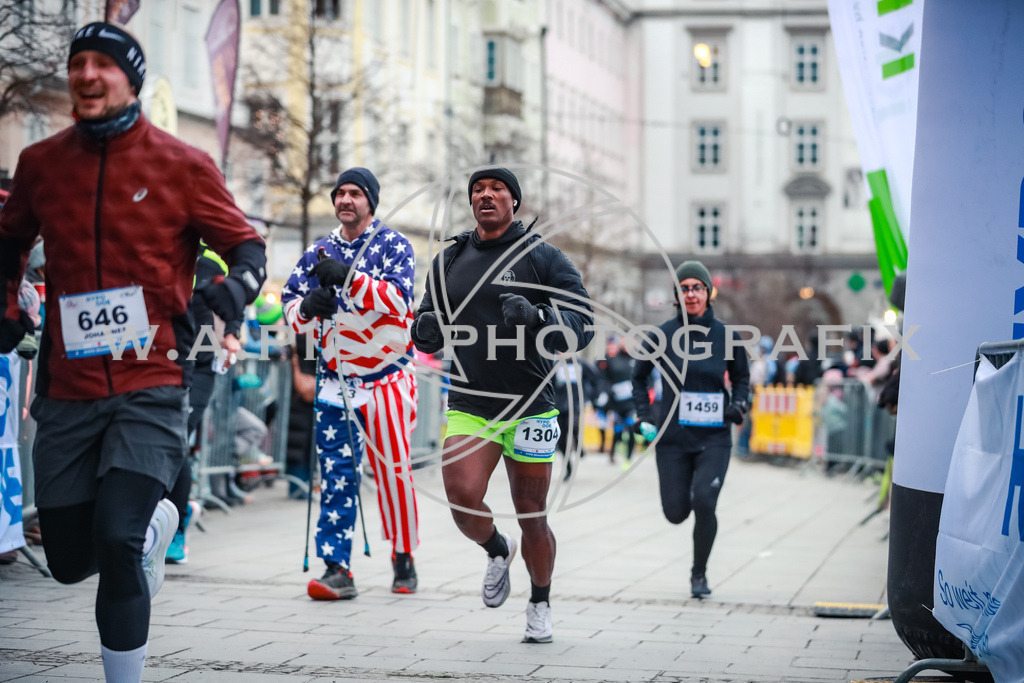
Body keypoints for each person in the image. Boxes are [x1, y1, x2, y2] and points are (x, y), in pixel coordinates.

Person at [0, 23, 266, 683]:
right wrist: (8, 309)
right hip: (68, 385)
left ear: (131, 79)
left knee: (117, 542)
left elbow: (248, 249)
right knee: (66, 557)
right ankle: (146, 530)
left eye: (103, 64)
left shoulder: (181, 164)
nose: (86, 74)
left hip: (152, 378)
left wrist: (228, 296)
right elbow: (7, 246)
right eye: (77, 63)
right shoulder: (41, 164)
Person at [411, 167, 594, 644]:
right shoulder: (450, 259)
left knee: (531, 511)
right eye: (478, 190)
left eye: (496, 190)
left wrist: (538, 318)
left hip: (532, 405)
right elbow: (429, 314)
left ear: (515, 201)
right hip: (473, 401)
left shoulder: (542, 258)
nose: (485, 196)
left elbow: (583, 324)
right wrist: (425, 328)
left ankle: (539, 602)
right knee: (461, 494)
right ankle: (496, 547)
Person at [281, 167, 420, 599]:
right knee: (337, 473)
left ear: (370, 202)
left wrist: (349, 278)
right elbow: (288, 302)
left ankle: (403, 556)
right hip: (335, 382)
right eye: (339, 193)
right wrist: (308, 307)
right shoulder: (318, 250)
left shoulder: (394, 245)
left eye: (355, 193)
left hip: (387, 379)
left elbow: (399, 302)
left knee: (392, 472)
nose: (345, 200)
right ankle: (337, 568)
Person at [631, 260, 750, 599]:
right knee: (675, 513)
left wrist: (738, 404)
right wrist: (644, 416)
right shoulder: (662, 335)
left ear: (708, 293)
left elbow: (742, 378)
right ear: (676, 295)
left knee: (705, 500)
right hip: (672, 440)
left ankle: (699, 574)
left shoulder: (726, 336)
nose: (691, 294)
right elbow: (638, 378)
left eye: (697, 287)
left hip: (714, 437)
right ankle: (685, 524)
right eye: (684, 288)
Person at [596, 336, 637, 467]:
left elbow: (645, 378)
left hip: (632, 403)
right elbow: (603, 377)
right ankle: (612, 453)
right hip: (617, 403)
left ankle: (628, 458)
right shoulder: (611, 359)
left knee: (631, 429)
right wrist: (604, 392)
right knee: (618, 431)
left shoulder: (637, 359)